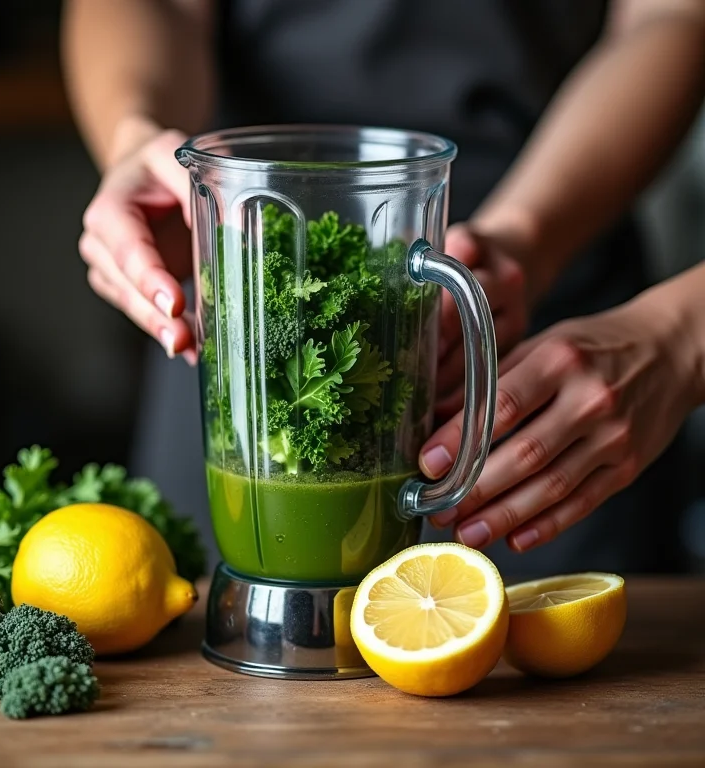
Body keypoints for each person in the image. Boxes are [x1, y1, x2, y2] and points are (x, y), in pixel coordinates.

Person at [62, 0, 705, 576]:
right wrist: (136, 135)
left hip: (546, 343)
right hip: (247, 318)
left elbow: (669, 15)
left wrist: (526, 240)